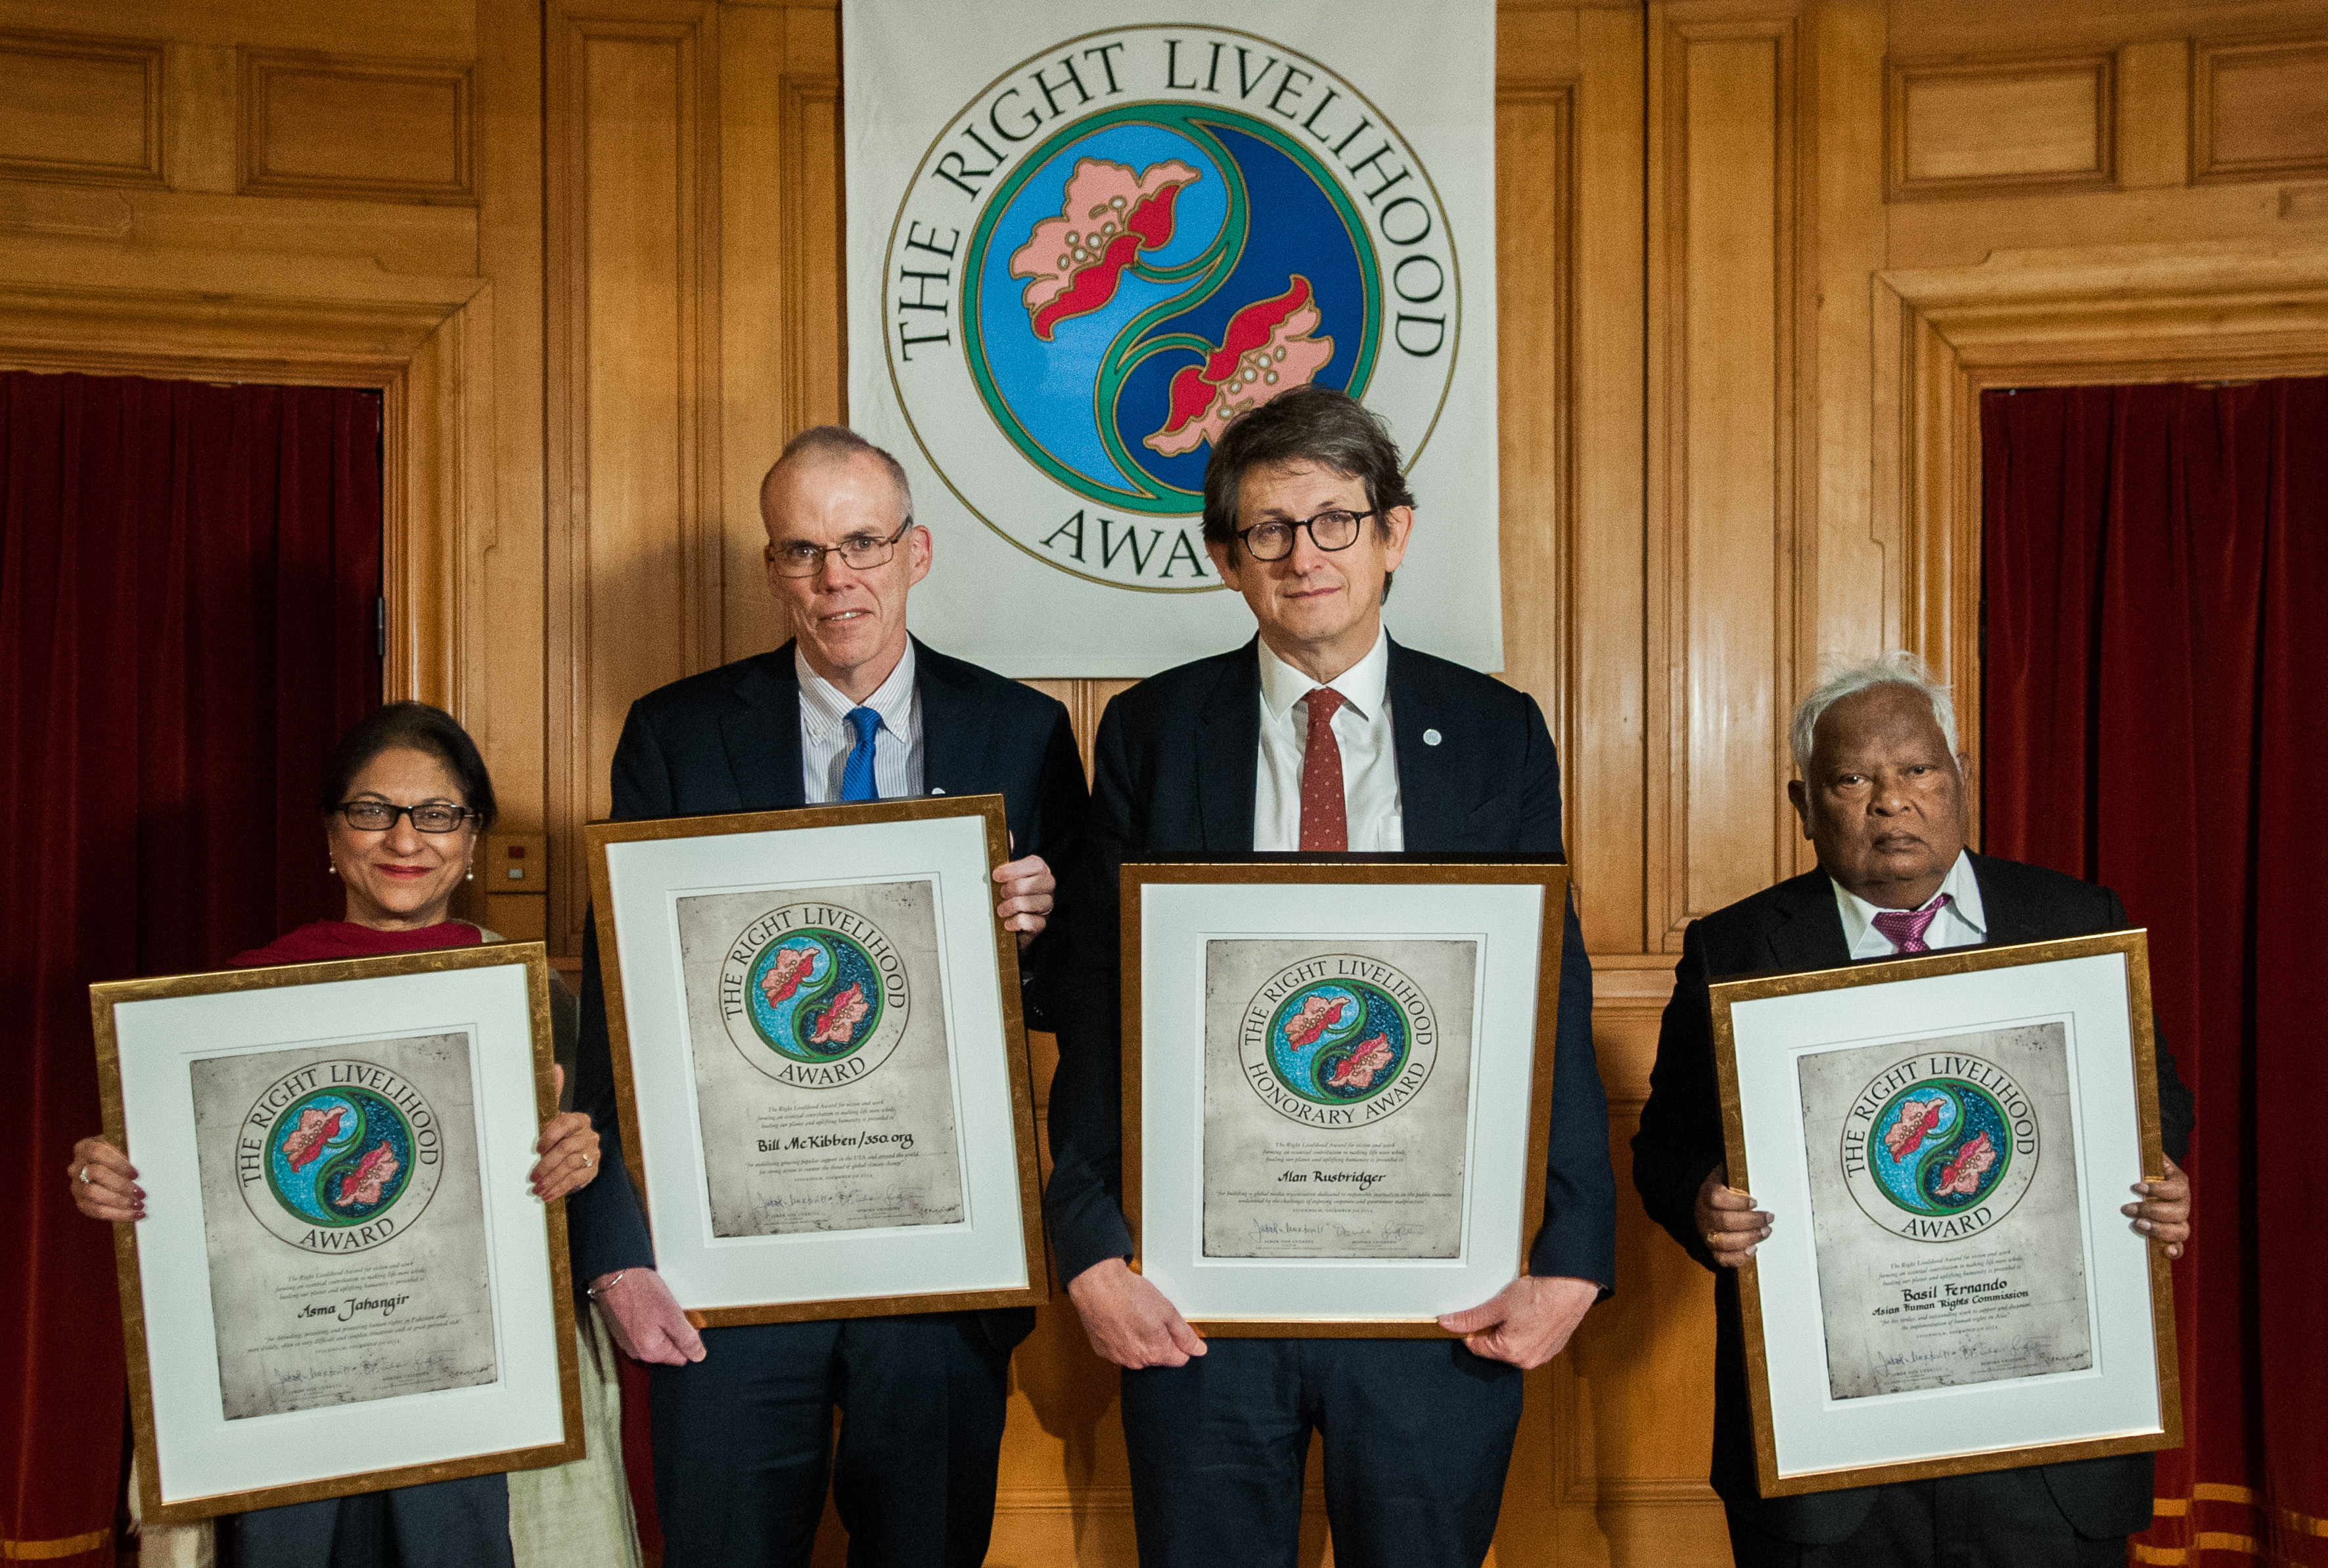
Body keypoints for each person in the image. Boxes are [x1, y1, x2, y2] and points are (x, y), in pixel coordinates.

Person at [1043, 384, 1616, 1568]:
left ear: (1393, 533)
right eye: (1267, 530)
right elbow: (1107, 1003)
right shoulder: (1154, 732)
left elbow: (1549, 993)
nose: (1304, 556)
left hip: (1435, 1288)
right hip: (1199, 1291)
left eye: (1335, 521)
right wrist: (1092, 1239)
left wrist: (1573, 1249)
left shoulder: (1497, 730)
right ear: (1225, 559)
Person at [566, 424, 1089, 1568]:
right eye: (802, 550)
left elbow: (1070, 1003)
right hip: (725, 1264)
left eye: (861, 543)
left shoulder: (1025, 732)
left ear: (918, 551)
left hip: (943, 1261)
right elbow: (614, 1009)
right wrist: (614, 1251)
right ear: (771, 568)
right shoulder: (676, 734)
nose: (834, 578)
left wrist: (1044, 927)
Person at [1630, 654, 2196, 1568]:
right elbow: (1665, 1147)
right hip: (1835, 1455)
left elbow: (2157, 1096)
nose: (1890, 801)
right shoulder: (1734, 949)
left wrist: (2160, 1169)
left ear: (1959, 779)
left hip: (2048, 1437)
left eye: (1918, 770)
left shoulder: (2075, 920)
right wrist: (1702, 1201)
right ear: (1802, 804)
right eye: (1852, 778)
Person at [68, 700, 635, 1568]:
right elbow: (190, 1198)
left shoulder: (526, 1001)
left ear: (472, 838)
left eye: (438, 814)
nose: (406, 839)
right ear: (330, 837)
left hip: (469, 1383)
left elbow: (575, 1190)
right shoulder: (235, 1001)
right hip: (290, 1382)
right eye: (372, 812)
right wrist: (117, 1177)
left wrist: (579, 1161)